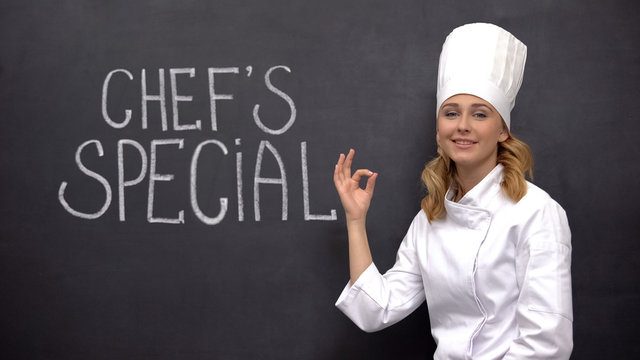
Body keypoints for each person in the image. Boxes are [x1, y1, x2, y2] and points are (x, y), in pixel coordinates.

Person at [333, 23, 573, 359]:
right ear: (438, 129)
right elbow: (377, 310)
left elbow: (547, 343)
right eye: (451, 113)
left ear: (502, 130)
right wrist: (355, 221)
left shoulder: (535, 212)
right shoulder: (430, 219)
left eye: (479, 114)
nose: (463, 125)